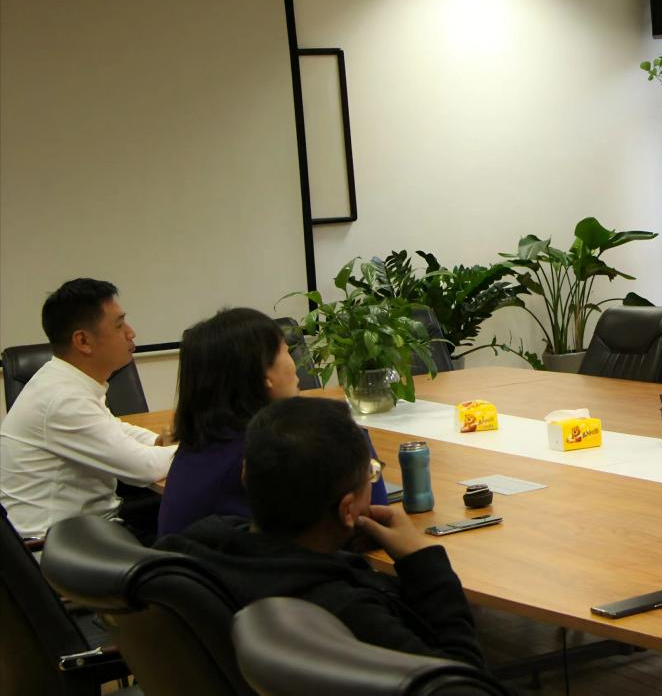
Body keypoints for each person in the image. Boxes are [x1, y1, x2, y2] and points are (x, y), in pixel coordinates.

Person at [156, 396, 486, 668]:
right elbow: (464, 684)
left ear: (245, 475)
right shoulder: (346, 615)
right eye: (371, 474)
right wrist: (424, 564)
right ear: (347, 510)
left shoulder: (192, 552)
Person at [157, 307, 387, 536]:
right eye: (286, 351)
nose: (295, 364)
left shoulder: (199, 445)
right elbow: (368, 522)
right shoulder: (264, 455)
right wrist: (352, 437)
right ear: (264, 374)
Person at [0, 279, 176, 538]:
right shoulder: (63, 398)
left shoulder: (64, 380)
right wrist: (199, 446)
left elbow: (113, 428)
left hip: (83, 529)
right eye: (119, 325)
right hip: (54, 546)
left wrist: (157, 441)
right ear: (83, 341)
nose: (131, 333)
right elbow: (145, 468)